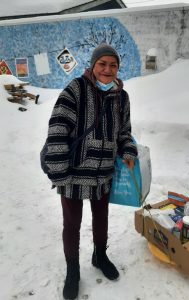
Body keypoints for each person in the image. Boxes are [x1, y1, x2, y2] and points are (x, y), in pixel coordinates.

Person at [44, 43, 137, 299]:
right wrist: (59, 171)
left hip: (103, 172)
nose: (108, 70)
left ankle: (100, 255)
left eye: (113, 65)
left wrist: (128, 150)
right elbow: (57, 130)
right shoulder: (75, 90)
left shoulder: (122, 96)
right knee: (71, 224)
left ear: (118, 68)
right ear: (93, 65)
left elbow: (124, 132)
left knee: (101, 218)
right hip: (73, 173)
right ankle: (72, 270)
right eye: (102, 64)